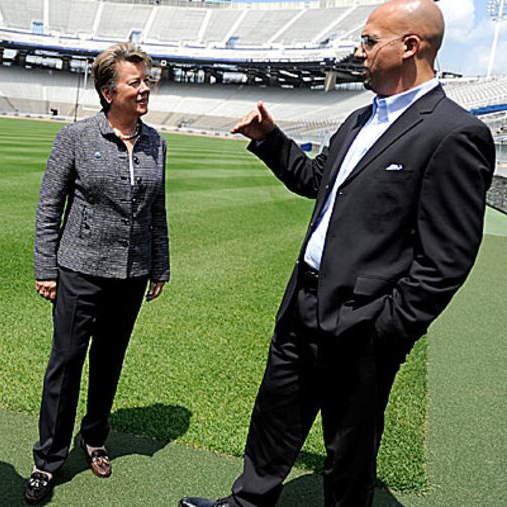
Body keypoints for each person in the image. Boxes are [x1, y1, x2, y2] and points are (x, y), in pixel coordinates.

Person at [180, 1, 494, 506]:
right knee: (275, 415)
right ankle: (247, 502)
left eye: (370, 41)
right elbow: (314, 179)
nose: (358, 50)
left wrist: (385, 330)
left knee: (349, 448)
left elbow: (447, 259)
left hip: (364, 324)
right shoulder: (357, 118)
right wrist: (271, 140)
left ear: (410, 46)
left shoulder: (454, 133)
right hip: (302, 300)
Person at [26, 41, 170, 504]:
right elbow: (50, 207)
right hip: (80, 272)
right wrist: (46, 268)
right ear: (109, 92)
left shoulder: (155, 143)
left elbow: (157, 211)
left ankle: (94, 438)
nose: (145, 88)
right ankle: (47, 459)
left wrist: (159, 266)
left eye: (146, 81)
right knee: (66, 364)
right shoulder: (75, 138)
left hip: (130, 275)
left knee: (109, 362)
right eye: (136, 82)